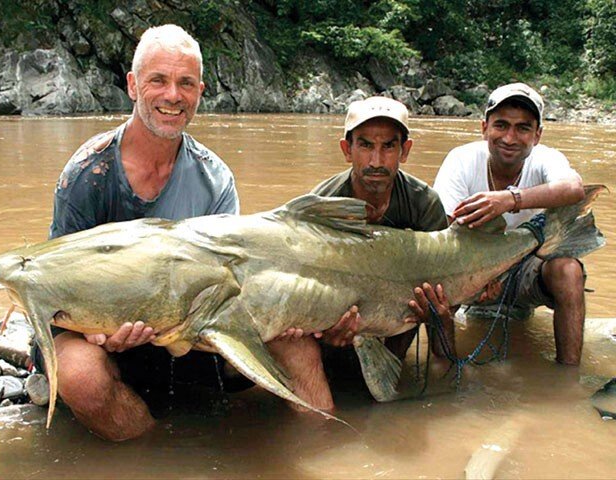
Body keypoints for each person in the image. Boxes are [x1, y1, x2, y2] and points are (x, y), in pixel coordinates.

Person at [43, 24, 325, 441]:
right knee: (80, 374)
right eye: (158, 80)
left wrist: (287, 311)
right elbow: (54, 288)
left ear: (199, 92)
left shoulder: (215, 179)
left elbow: (231, 283)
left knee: (296, 345)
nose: (173, 95)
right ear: (134, 86)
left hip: (190, 329)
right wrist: (99, 331)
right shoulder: (89, 173)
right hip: (101, 332)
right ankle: (153, 454)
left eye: (185, 83)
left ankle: (332, 445)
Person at [290, 96, 454, 379]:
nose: (376, 161)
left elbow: (448, 275)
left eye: (388, 146)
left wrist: (442, 314)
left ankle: (395, 367)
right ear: (347, 149)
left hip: (403, 308)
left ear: (405, 150)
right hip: (343, 309)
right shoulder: (322, 204)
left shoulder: (424, 204)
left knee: (439, 324)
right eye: (365, 145)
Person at [433, 82, 586, 366]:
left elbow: (574, 188)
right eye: (501, 125)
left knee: (568, 270)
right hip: (469, 265)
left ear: (537, 135)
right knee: (437, 284)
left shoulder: (546, 159)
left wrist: (510, 199)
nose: (510, 138)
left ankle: (568, 377)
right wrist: (480, 277)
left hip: (526, 266)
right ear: (484, 128)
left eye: (523, 128)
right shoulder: (461, 160)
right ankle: (444, 372)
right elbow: (445, 234)